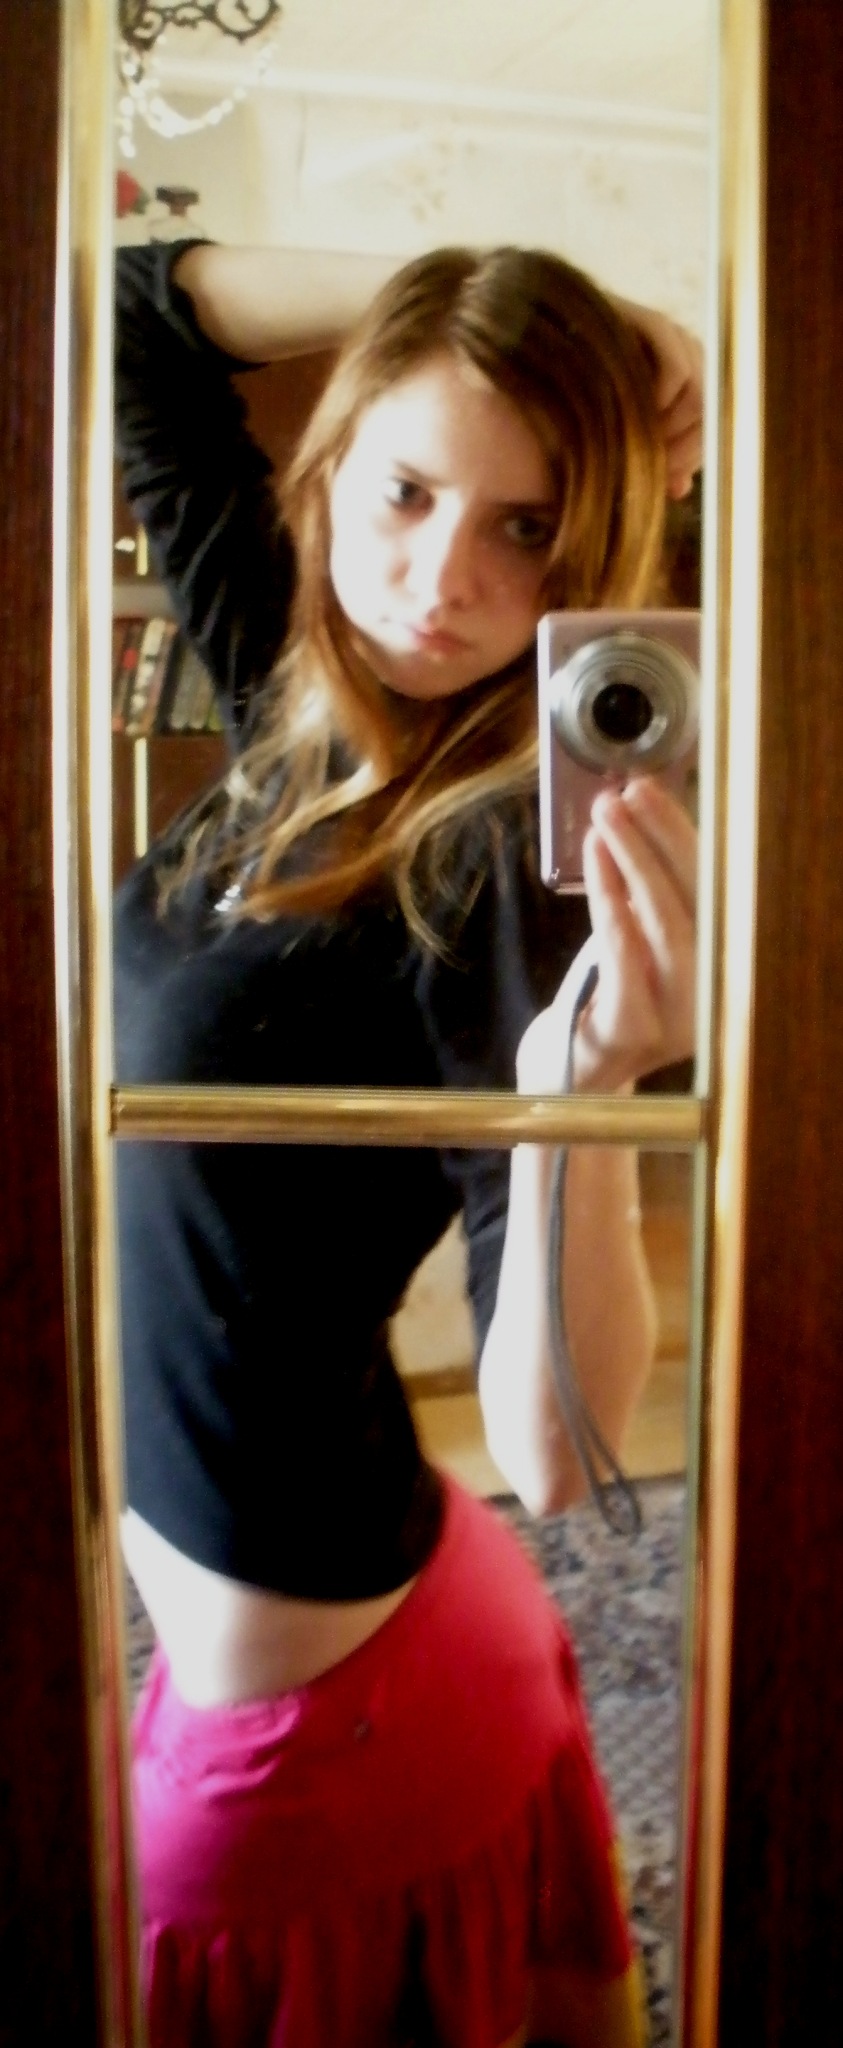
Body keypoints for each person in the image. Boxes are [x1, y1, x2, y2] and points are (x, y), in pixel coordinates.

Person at [114, 236, 699, 2048]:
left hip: (320, 1727)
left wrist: (587, 1085)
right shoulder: (293, 687)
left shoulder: (497, 853)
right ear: (330, 465)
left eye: (527, 527)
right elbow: (130, 321)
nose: (445, 578)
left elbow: (565, 1454)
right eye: (406, 488)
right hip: (330, 1607)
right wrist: (509, 302)